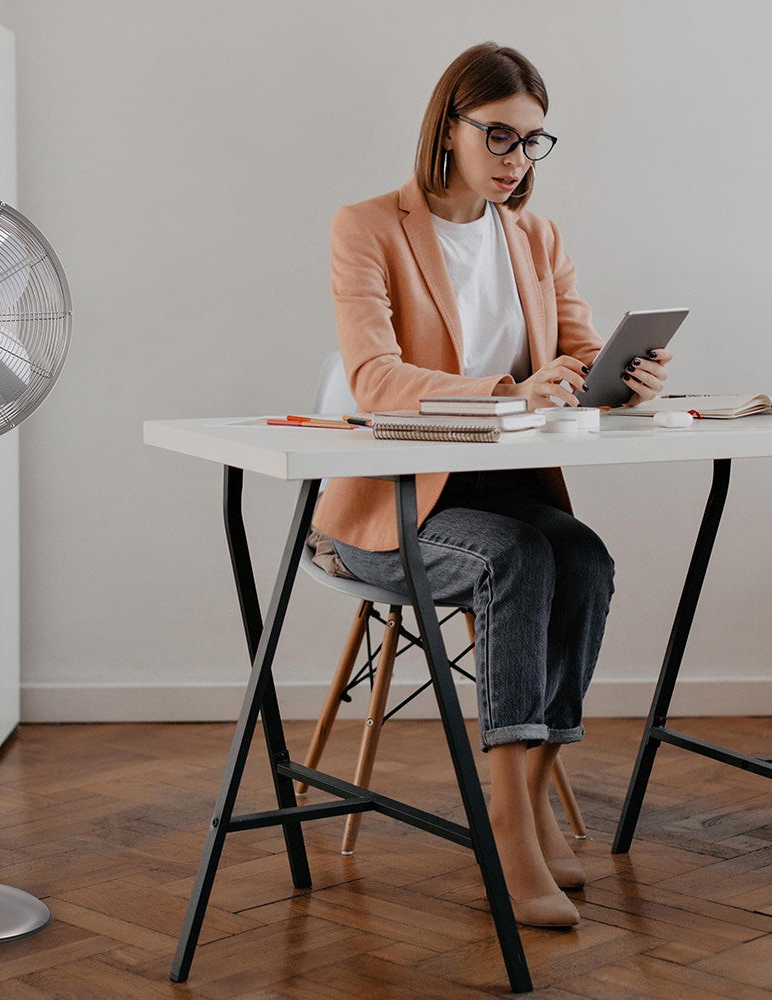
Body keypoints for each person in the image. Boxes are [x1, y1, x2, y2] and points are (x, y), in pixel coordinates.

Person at [311, 42, 672, 928]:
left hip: (502, 491)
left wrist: (626, 378)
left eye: (532, 141)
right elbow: (375, 378)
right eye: (499, 136)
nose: (516, 159)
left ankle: (535, 791)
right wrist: (510, 391)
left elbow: (579, 353)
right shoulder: (368, 227)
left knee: (582, 557)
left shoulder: (535, 238)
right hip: (390, 509)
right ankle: (505, 825)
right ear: (450, 127)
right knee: (516, 557)